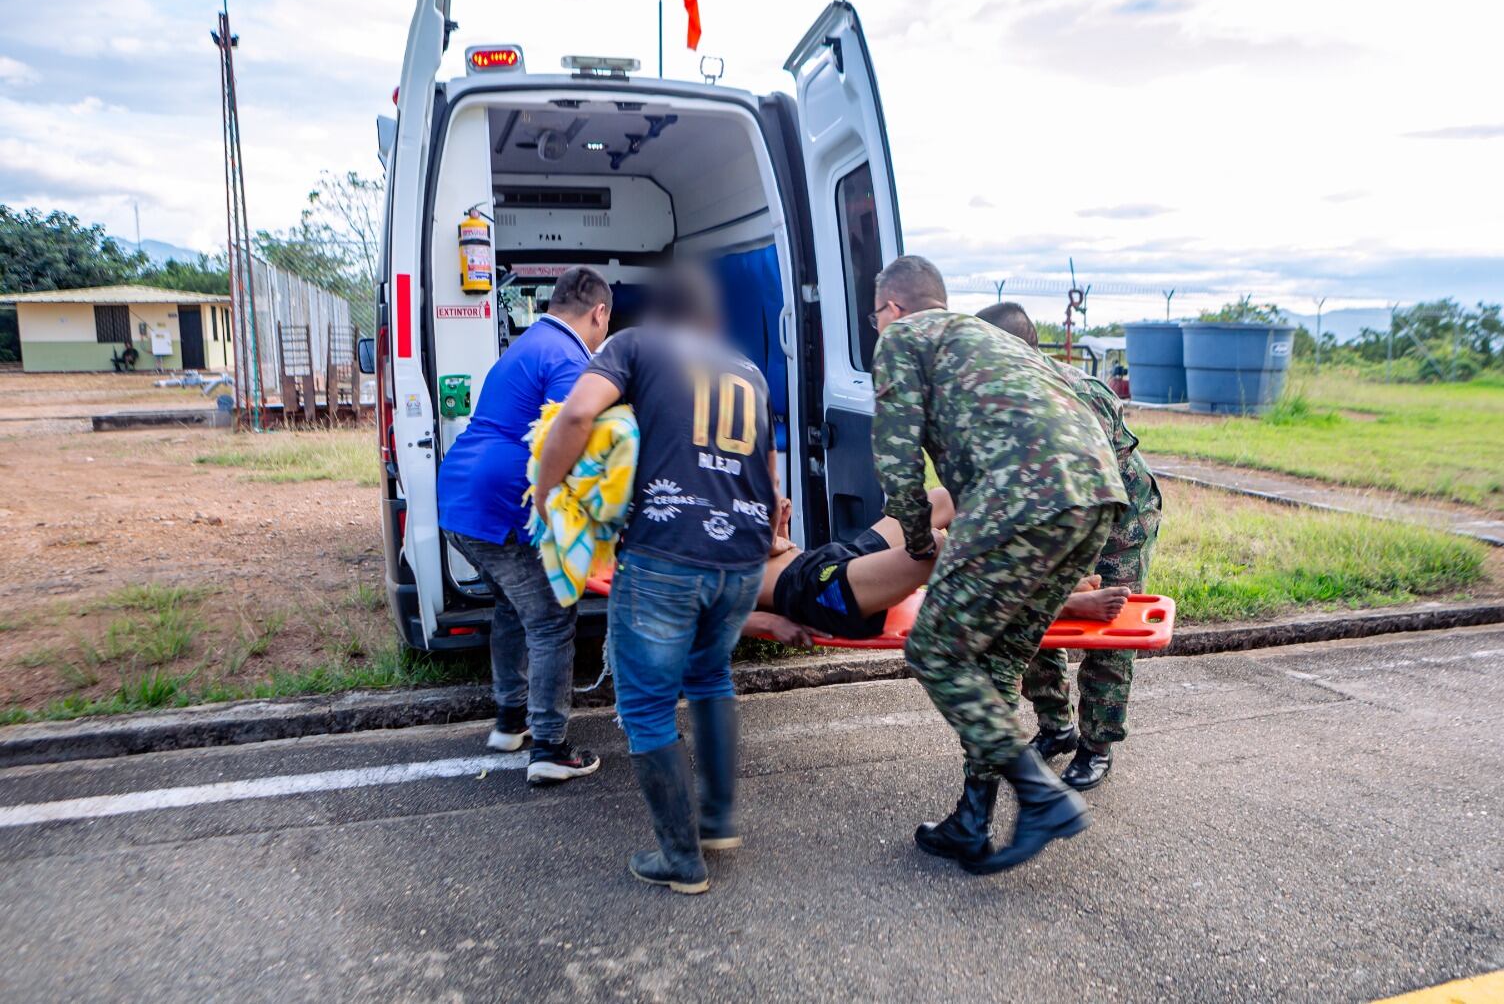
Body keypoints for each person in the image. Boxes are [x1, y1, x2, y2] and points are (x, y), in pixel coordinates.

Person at [870, 255, 1128, 875]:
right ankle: (971, 819)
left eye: (876, 314)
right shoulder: (987, 339)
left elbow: (896, 460)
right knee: (998, 663)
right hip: (1096, 498)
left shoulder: (904, 337)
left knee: (934, 651)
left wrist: (919, 543)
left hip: (1024, 496)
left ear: (894, 307)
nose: (876, 326)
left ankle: (1039, 796)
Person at [533, 265, 778, 896]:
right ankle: (718, 822)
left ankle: (680, 856)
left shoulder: (634, 344)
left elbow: (578, 416)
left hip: (668, 552)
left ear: (651, 313)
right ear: (708, 318)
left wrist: (546, 487)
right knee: (710, 675)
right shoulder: (747, 371)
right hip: (743, 560)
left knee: (646, 706)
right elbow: (770, 479)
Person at [975, 302, 1164, 791]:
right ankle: (1055, 726)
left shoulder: (1078, 396)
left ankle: (1097, 744)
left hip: (1120, 519)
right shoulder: (1004, 396)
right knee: (1037, 615)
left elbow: (1086, 486)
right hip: (1055, 517)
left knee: (1110, 628)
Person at [436, 266, 612, 785]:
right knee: (553, 618)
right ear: (598, 313)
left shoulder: (528, 343)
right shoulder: (568, 355)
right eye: (606, 323)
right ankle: (551, 747)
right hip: (497, 502)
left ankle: (511, 721)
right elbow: (575, 429)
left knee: (514, 609)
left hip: (459, 496)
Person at [742, 492, 1133, 647]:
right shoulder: (687, 544)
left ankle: (1041, 569)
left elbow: (778, 548)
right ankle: (1058, 601)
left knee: (939, 500)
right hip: (813, 592)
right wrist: (766, 623)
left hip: (827, 559)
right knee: (936, 548)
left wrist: (780, 523)